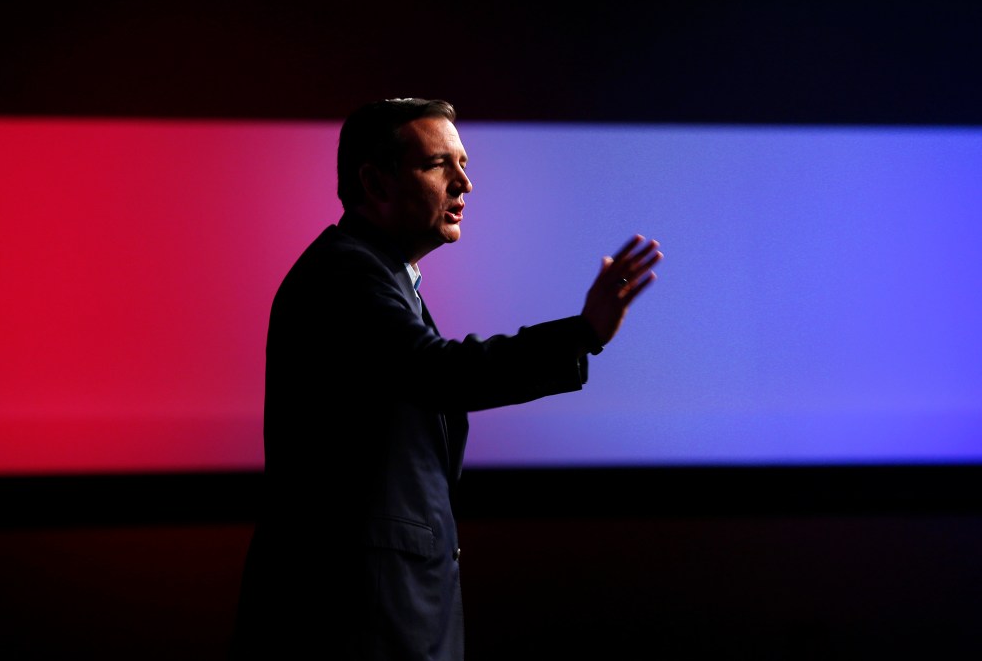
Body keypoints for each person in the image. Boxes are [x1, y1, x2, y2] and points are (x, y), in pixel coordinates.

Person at [229, 97, 662, 660]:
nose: (465, 183)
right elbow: (438, 371)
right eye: (439, 165)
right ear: (375, 183)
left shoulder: (380, 274)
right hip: (351, 621)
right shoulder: (346, 273)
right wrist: (583, 335)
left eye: (464, 164)